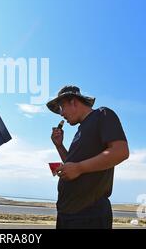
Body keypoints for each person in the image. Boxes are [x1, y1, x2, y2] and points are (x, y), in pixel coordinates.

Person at [46, 85, 129, 229]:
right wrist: (59, 146)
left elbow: (120, 151)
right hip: (67, 213)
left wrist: (79, 168)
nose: (61, 114)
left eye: (61, 107)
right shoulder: (80, 130)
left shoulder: (102, 114)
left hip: (88, 214)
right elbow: (72, 165)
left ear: (73, 101)